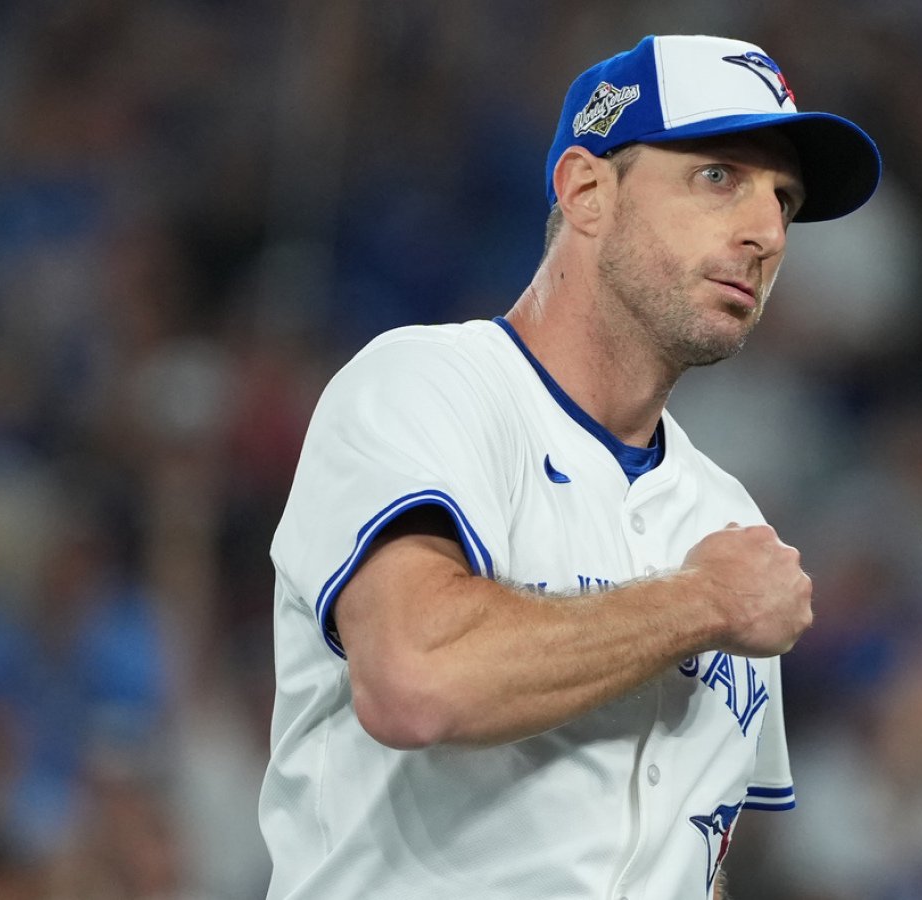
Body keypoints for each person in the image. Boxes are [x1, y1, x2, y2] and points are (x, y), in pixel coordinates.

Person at [259, 33, 881, 899]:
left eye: (785, 199)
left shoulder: (730, 522)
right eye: (718, 177)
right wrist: (703, 602)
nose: (766, 233)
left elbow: (697, 855)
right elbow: (414, 682)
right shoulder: (426, 386)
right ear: (587, 191)